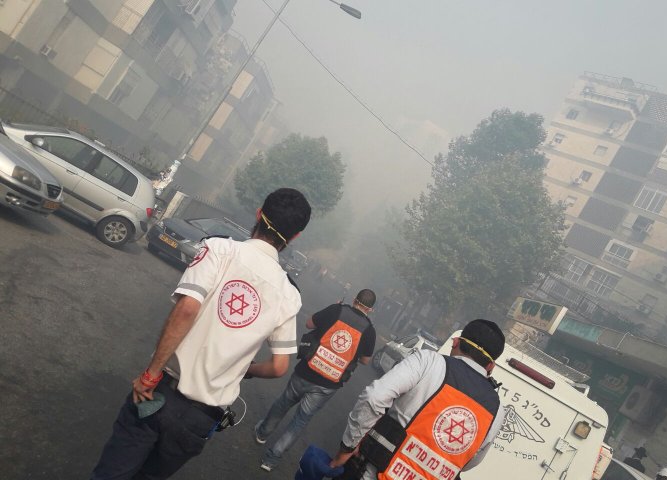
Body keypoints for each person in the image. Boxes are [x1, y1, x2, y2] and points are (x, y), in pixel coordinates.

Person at [90, 188, 312, 480]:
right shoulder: (288, 294)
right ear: (294, 237)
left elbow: (186, 310)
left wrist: (150, 374)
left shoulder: (220, 250)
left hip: (161, 393)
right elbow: (280, 366)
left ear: (259, 214)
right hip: (201, 418)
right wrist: (247, 369)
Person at [330, 319, 506, 480]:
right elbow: (469, 462)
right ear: (491, 366)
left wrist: (347, 448)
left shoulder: (429, 361)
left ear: (456, 342)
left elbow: (374, 397)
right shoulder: (497, 411)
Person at [254, 289, 378, 472]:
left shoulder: (337, 310)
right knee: (301, 420)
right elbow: (366, 360)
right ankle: (271, 459)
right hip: (329, 383)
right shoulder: (369, 330)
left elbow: (309, 323)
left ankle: (262, 433)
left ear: (354, 300)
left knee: (284, 402)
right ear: (371, 310)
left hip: (307, 370)